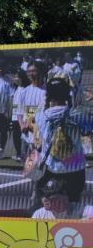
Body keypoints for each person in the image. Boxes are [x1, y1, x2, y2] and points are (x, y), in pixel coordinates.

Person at [34, 77, 93, 216]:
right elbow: (89, 126)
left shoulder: (41, 116)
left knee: (51, 207)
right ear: (67, 94)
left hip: (53, 169)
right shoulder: (76, 114)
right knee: (73, 206)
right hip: (75, 168)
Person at [11, 69, 31, 161]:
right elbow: (15, 103)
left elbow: (30, 104)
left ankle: (25, 154)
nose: (14, 78)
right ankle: (18, 154)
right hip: (15, 116)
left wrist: (28, 118)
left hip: (24, 118)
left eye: (16, 77)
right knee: (16, 136)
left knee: (26, 137)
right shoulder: (17, 88)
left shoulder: (27, 89)